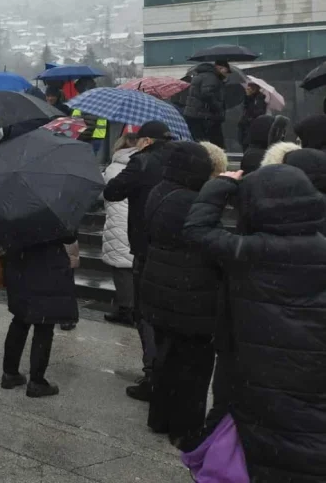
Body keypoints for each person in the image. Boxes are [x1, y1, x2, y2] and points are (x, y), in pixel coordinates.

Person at [183, 165, 326, 480]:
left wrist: (220, 185)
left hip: (259, 374)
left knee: (264, 449)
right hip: (311, 374)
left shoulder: (250, 251)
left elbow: (196, 231)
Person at [140, 141, 218, 446]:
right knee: (195, 365)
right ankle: (185, 428)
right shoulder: (194, 201)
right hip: (191, 293)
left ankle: (160, 417)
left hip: (160, 286)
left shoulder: (160, 191)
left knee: (167, 357)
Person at [102, 120, 174, 401]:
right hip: (177, 246)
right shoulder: (185, 158)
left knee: (146, 313)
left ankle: (153, 376)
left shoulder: (142, 162)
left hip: (146, 243)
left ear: (145, 140)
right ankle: (169, 374)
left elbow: (112, 191)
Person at [0, 232, 78, 398]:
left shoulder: (12, 209)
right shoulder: (52, 210)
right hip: (47, 267)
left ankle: (10, 373)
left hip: (19, 264)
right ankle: (37, 382)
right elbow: (69, 235)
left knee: (20, 320)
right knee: (44, 325)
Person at [101, 134, 139, 326]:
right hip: (137, 219)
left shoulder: (115, 167)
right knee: (132, 266)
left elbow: (105, 191)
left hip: (118, 221)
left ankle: (126, 309)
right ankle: (133, 307)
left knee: (120, 267)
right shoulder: (144, 164)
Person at [183, 60, 229, 148]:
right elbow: (207, 94)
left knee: (199, 142)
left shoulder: (200, 75)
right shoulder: (211, 77)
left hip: (195, 114)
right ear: (219, 68)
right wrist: (218, 107)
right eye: (225, 70)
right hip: (206, 116)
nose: (226, 73)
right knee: (214, 144)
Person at [238, 82, 267, 148]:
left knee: (247, 144)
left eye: (249, 88)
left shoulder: (259, 99)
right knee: (243, 142)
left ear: (254, 89)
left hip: (251, 125)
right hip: (244, 124)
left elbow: (258, 112)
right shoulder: (248, 98)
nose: (247, 90)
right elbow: (245, 109)